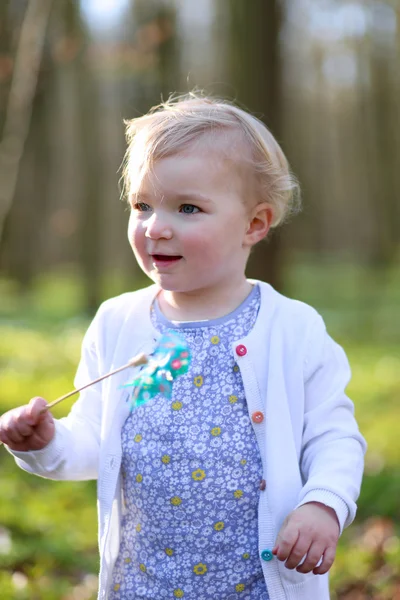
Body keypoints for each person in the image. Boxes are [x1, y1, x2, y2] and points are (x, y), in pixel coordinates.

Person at [0, 93, 366, 600]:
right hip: (144, 584)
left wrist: (323, 503)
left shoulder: (293, 329)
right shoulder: (119, 324)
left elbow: (335, 438)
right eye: (142, 205)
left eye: (188, 208)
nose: (156, 227)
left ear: (254, 224)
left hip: (259, 585)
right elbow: (96, 438)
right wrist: (46, 444)